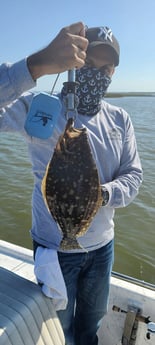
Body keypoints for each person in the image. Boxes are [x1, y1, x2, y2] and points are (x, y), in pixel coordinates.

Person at [0, 24, 143, 345]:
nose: (98, 73)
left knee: (91, 323)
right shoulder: (39, 108)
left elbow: (133, 177)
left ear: (114, 72)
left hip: (103, 247)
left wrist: (100, 194)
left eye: (106, 68)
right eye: (89, 64)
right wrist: (36, 65)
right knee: (57, 328)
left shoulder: (120, 119)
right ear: (73, 63)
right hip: (53, 246)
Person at [0, 22, 88, 107]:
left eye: (102, 68)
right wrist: (37, 65)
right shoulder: (26, 104)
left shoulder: (102, 112)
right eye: (88, 61)